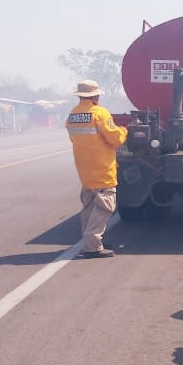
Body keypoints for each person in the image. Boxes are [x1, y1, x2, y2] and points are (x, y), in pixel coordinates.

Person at [65, 79, 127, 259]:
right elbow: (115, 138)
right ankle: (93, 246)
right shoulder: (99, 113)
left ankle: (90, 242)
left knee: (89, 206)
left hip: (84, 168)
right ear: (95, 95)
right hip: (102, 168)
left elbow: (75, 139)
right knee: (104, 206)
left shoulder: (72, 115)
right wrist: (124, 131)